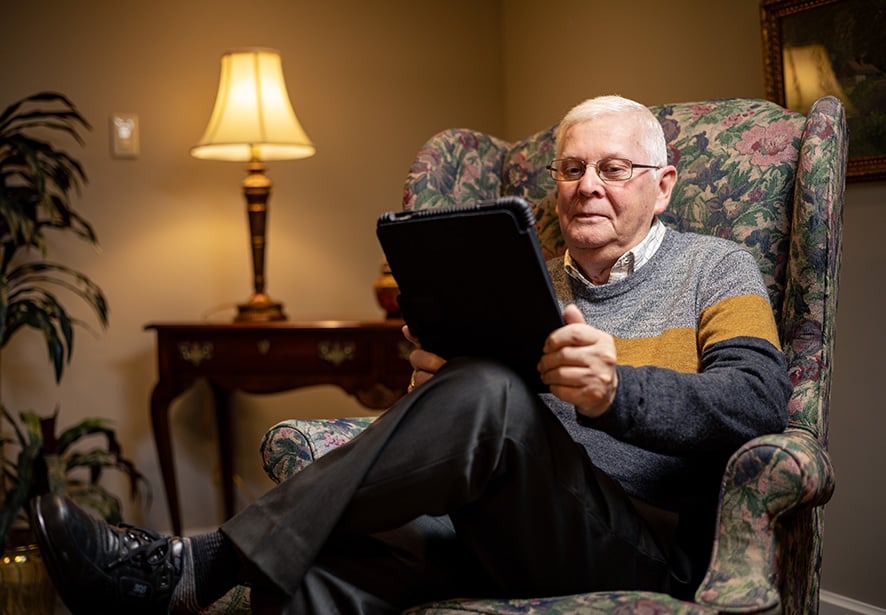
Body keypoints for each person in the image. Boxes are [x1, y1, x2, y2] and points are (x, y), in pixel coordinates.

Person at [30, 95, 791, 615]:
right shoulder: (521, 274)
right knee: (309, 566)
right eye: (570, 168)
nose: (587, 186)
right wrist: (434, 388)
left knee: (490, 393)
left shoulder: (715, 267)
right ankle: (217, 566)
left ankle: (195, 564)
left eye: (614, 169)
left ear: (662, 186)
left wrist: (616, 390)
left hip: (630, 543)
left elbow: (757, 400)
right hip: (490, 528)